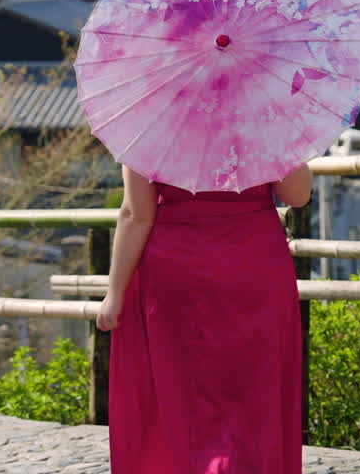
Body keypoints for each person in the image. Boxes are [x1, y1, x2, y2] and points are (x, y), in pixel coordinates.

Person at [96, 162, 314, 473]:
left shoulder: (155, 123)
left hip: (178, 271)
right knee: (255, 391)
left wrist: (114, 294)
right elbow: (298, 195)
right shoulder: (263, 120)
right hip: (254, 266)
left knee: (184, 395)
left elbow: (136, 215)